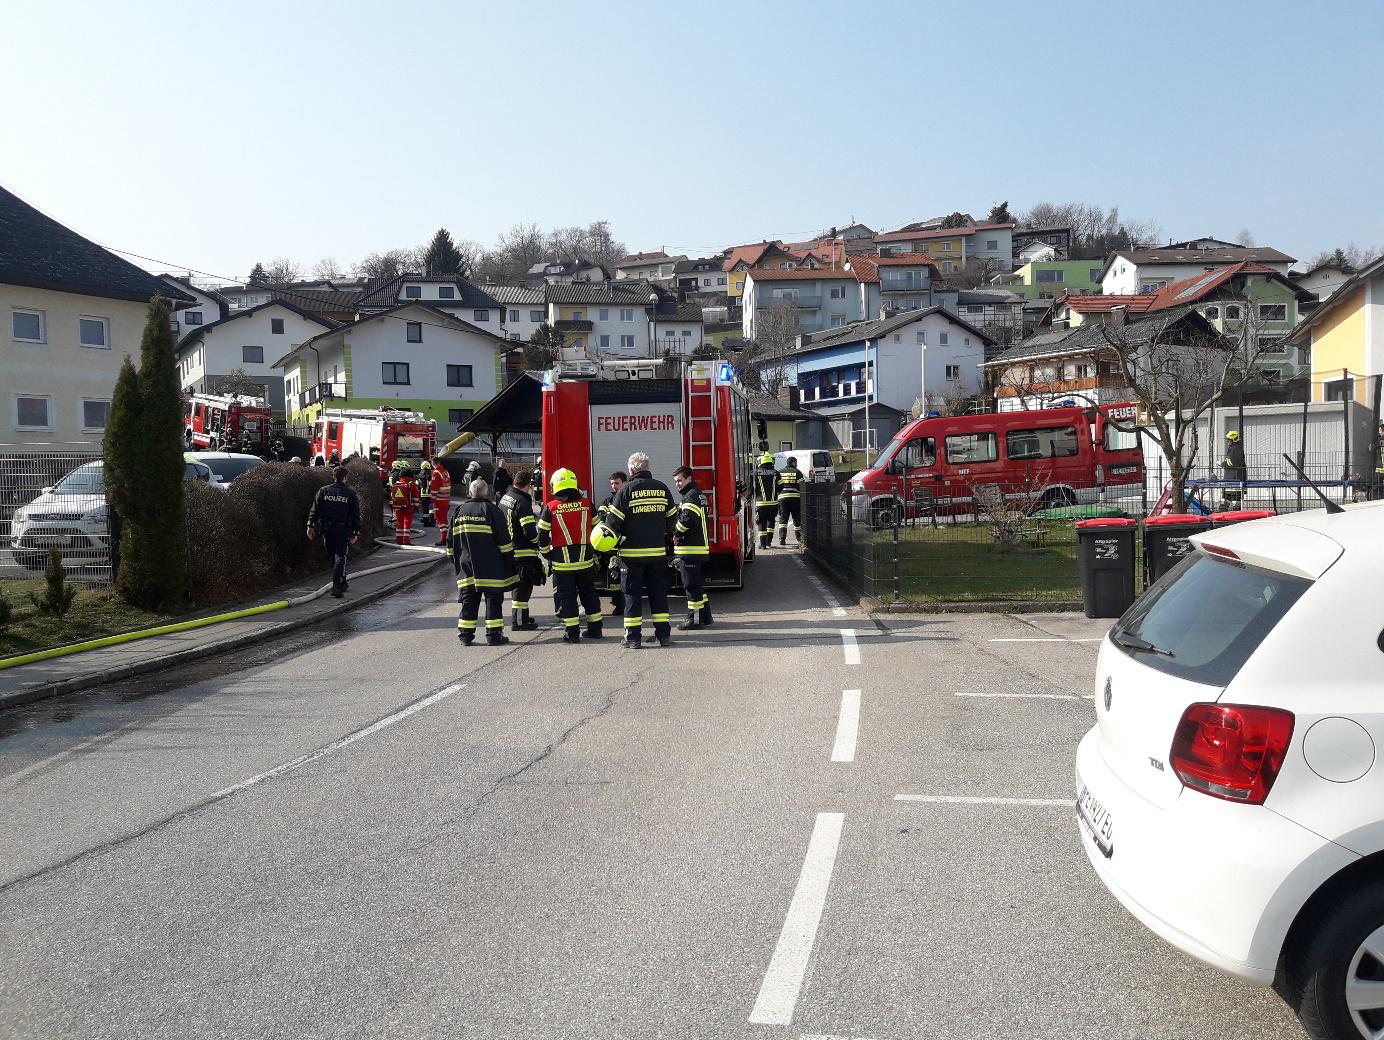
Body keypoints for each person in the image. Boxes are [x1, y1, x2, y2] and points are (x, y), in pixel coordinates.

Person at [602, 451, 677, 649]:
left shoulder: (626, 490)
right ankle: (663, 636)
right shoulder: (662, 488)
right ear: (648, 467)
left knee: (632, 596)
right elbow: (672, 520)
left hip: (631, 556)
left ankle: (633, 638)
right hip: (657, 554)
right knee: (658, 595)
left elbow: (612, 523)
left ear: (631, 470)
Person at [536, 468, 604, 644]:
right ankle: (595, 630)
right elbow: (599, 530)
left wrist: (547, 554)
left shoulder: (550, 507)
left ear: (555, 485)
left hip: (562, 563)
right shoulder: (587, 504)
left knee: (568, 598)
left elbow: (542, 536)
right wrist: (595, 552)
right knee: (589, 594)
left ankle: (572, 634)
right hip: (586, 560)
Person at [448, 478, 515, 646]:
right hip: (491, 566)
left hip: (466, 565)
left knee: (468, 600)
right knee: (493, 600)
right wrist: (509, 561)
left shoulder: (459, 511)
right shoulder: (492, 511)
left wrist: (455, 560)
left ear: (470, 492)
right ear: (487, 492)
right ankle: (494, 636)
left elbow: (450, 541)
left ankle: (465, 635)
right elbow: (504, 542)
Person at [306, 466, 361, 598]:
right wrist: (355, 532)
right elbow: (355, 514)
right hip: (342, 530)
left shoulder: (324, 491)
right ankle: (337, 586)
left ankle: (342, 582)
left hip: (327, 530)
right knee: (340, 557)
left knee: (333, 557)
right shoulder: (350, 493)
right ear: (346, 477)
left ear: (333, 477)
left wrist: (310, 525)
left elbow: (315, 510)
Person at [499, 470, 543, 630]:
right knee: (523, 588)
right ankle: (519, 622)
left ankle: (522, 616)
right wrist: (540, 542)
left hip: (509, 550)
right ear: (528, 484)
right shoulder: (522, 502)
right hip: (522, 552)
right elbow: (529, 531)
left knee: (519, 586)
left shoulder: (506, 497)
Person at [671, 465, 712, 630]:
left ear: (689, 478)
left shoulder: (691, 496)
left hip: (691, 549)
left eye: (680, 480)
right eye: (675, 481)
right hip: (697, 548)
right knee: (696, 585)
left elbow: (686, 520)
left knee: (691, 587)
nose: (677, 484)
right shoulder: (697, 494)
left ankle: (693, 620)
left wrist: (676, 534)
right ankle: (705, 617)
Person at [596, 471, 627, 615]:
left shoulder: (628, 499)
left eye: (617, 483)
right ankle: (619, 605)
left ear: (624, 483)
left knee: (627, 577)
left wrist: (612, 518)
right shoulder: (608, 501)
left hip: (626, 545)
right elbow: (601, 516)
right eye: (612, 483)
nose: (614, 486)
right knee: (614, 579)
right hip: (611, 546)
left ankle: (628, 603)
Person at [775, 456, 804, 546]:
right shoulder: (797, 472)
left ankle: (782, 539)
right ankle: (799, 539)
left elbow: (777, 486)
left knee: (783, 519)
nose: (797, 464)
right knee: (796, 518)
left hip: (782, 499)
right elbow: (802, 486)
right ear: (793, 462)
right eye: (796, 462)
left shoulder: (780, 472)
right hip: (795, 498)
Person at [753, 452, 780, 550]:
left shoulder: (756, 473)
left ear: (760, 461)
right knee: (771, 523)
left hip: (761, 504)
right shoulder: (776, 473)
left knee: (761, 523)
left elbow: (752, 488)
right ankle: (769, 542)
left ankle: (763, 544)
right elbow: (781, 487)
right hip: (773, 504)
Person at [389, 462, 420, 545]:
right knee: (407, 523)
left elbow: (392, 496)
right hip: (408, 507)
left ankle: (399, 541)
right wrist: (416, 506)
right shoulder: (412, 484)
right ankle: (406, 541)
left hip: (397, 507)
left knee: (399, 524)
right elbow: (416, 497)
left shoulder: (397, 484)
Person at [1221, 430, 1247, 508]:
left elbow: (1232, 463)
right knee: (1226, 503)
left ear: (1233, 440)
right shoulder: (1234, 448)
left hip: (1234, 479)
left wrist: (1222, 464)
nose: (1227, 442)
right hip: (1231, 480)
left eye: (1228, 440)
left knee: (1235, 504)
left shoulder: (1235, 449)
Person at [429, 461, 452, 544]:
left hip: (438, 500)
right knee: (444, 519)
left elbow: (434, 487)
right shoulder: (446, 472)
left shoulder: (435, 473)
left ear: (433, 464)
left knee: (440, 520)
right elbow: (449, 485)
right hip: (446, 499)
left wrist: (432, 500)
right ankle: (447, 537)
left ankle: (443, 539)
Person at [418, 460, 434, 528]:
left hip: (423, 494)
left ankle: (425, 520)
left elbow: (418, 484)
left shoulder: (420, 474)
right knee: (430, 507)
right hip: (431, 493)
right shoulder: (431, 473)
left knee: (425, 508)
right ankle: (430, 520)